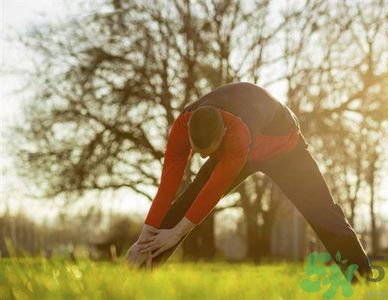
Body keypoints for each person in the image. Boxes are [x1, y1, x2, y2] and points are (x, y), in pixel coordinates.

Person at [126, 82, 372, 283]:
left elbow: (214, 190)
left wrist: (177, 232)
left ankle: (362, 282)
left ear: (222, 133)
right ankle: (138, 277)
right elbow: (167, 186)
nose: (202, 157)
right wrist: (145, 237)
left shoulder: (239, 132)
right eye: (197, 151)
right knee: (185, 201)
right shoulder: (182, 125)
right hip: (237, 144)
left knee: (323, 213)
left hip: (284, 150)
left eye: (207, 151)